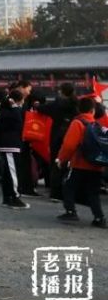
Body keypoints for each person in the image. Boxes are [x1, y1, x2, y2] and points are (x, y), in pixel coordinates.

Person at [55, 96, 106, 227]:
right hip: (96, 165)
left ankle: (71, 211)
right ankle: (99, 217)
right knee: (93, 192)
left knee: (68, 186)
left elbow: (69, 145)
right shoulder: (97, 125)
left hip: (79, 163)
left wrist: (61, 159)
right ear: (93, 110)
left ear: (78, 109)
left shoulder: (78, 123)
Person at [37, 82, 79, 202]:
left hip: (57, 138)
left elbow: (42, 109)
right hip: (72, 137)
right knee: (70, 165)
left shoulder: (57, 104)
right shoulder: (76, 104)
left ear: (61, 91)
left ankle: (56, 193)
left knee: (56, 164)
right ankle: (69, 191)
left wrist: (37, 106)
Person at [0, 89, 30, 209]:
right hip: (11, 144)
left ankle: (7, 197)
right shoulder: (13, 111)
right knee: (12, 172)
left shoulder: (2, 110)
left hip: (6, 144)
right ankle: (14, 197)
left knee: (7, 173)